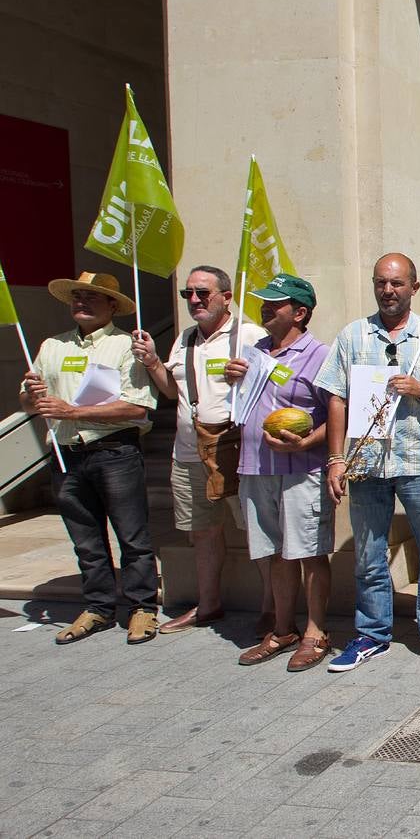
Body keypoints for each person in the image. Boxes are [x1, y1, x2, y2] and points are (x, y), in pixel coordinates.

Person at [317, 253, 420, 672]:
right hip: (368, 462)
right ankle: (371, 633)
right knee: (368, 555)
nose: (388, 291)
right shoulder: (352, 335)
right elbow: (336, 396)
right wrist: (335, 459)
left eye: (397, 283)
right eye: (381, 283)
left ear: (414, 288)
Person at [130, 266, 272, 637]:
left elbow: (279, 389)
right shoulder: (186, 338)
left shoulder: (250, 335)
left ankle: (273, 608)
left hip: (234, 452)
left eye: (203, 293)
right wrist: (152, 363)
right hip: (188, 452)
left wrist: (250, 375)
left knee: (257, 532)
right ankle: (208, 604)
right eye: (188, 293)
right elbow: (171, 391)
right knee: (203, 533)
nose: (194, 300)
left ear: (227, 296)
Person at [20, 272, 159, 644]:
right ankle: (98, 607)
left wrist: (71, 413)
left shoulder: (127, 346)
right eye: (76, 296)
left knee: (132, 537)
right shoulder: (52, 346)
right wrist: (32, 396)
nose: (81, 302)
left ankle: (142, 608)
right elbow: (28, 399)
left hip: (115, 452)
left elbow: (137, 406)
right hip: (66, 455)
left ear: (112, 305)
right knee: (85, 540)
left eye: (91, 297)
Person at [226, 274, 335, 671]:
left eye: (277, 302)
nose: (265, 307)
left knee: (309, 553)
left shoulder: (319, 354)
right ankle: (283, 628)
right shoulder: (255, 352)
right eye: (264, 301)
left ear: (300, 312)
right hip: (256, 468)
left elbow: (338, 413)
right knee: (274, 555)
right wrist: (233, 382)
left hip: (301, 470)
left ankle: (316, 632)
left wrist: (307, 442)